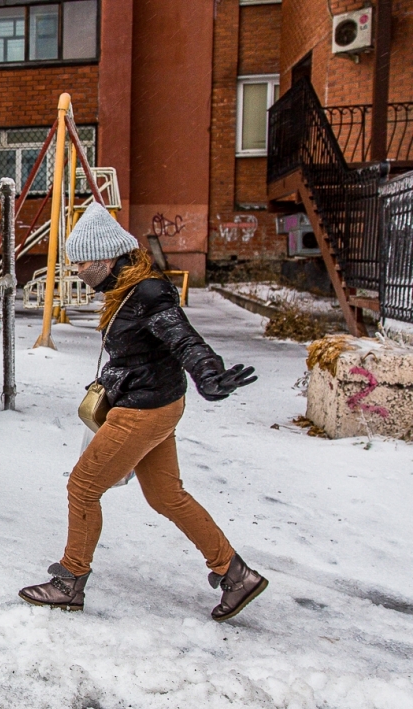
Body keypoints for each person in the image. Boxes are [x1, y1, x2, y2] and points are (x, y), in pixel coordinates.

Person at [18, 203, 266, 622]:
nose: (78, 271)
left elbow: (184, 339)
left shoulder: (148, 293)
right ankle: (235, 573)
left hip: (143, 410)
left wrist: (209, 374)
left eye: (82, 263)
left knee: (83, 487)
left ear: (107, 258)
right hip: (157, 402)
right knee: (167, 496)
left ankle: (69, 582)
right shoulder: (125, 290)